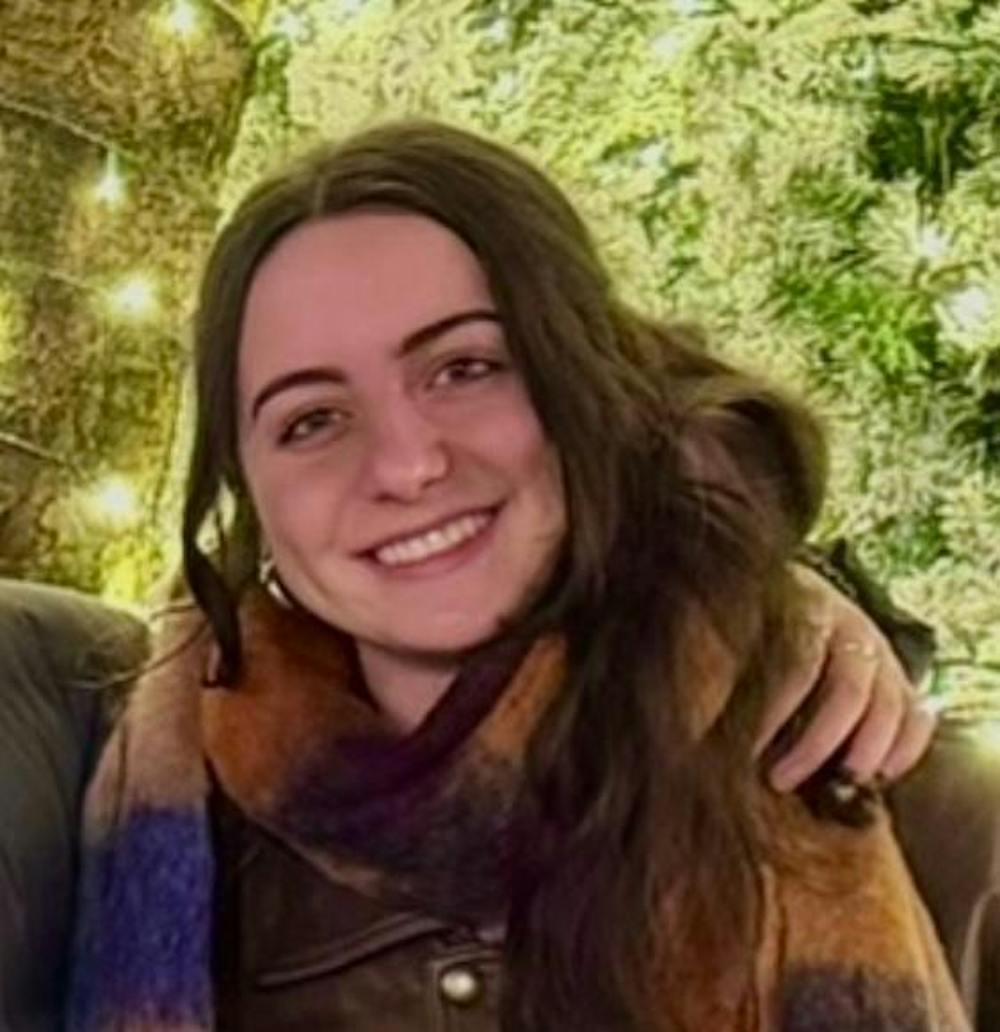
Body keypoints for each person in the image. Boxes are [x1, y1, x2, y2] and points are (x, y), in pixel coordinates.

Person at [68, 122, 964, 1031]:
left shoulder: (935, 827)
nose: (405, 464)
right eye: (312, 420)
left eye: (465, 368)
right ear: (250, 491)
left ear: (592, 385)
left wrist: (750, 593)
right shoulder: (138, 810)